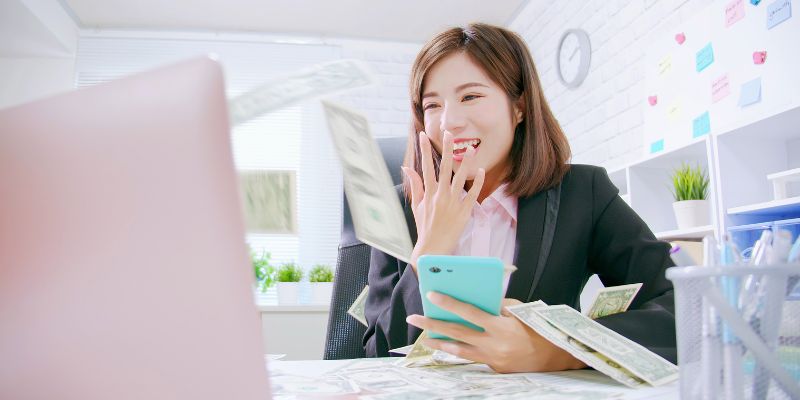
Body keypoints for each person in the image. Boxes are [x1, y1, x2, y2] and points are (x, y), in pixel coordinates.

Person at [363, 23, 676, 373]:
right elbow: (374, 357)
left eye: (471, 96)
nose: (449, 122)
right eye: (432, 105)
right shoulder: (399, 209)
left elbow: (681, 307)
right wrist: (428, 254)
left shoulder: (583, 194)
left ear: (519, 107)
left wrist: (556, 349)